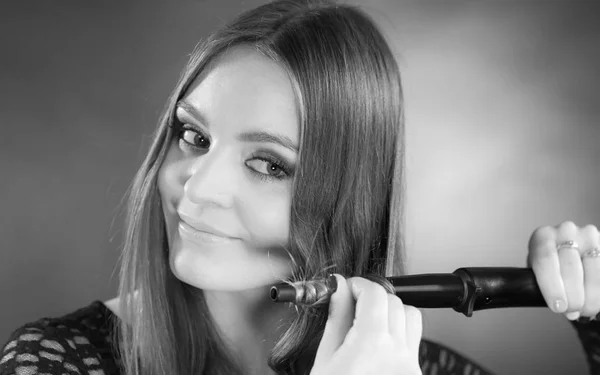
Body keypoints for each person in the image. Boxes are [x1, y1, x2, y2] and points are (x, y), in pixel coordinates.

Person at [1, 0, 599, 374]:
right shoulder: (54, 361)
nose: (197, 188)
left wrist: (595, 315)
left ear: (350, 199)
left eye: (268, 164)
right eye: (194, 136)